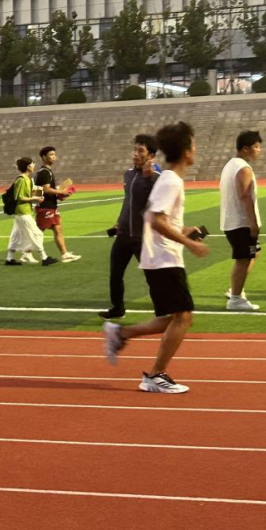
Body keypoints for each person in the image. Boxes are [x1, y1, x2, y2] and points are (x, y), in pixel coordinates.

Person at [104, 121, 209, 394]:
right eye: (193, 145)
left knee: (171, 318)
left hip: (159, 257)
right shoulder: (171, 180)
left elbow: (159, 219)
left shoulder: (168, 179)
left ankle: (120, 333)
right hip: (164, 258)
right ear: (186, 151)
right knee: (183, 317)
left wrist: (185, 230)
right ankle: (155, 375)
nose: (195, 149)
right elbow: (154, 219)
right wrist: (188, 242)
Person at [100, 135, 159, 319]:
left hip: (143, 236)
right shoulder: (128, 173)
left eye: (140, 151)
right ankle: (117, 308)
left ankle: (162, 310)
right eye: (135, 150)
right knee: (115, 274)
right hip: (124, 233)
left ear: (151, 156)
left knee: (152, 277)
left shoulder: (157, 177)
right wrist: (120, 221)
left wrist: (149, 179)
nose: (135, 154)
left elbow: (157, 206)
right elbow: (128, 201)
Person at [220, 130, 263, 311]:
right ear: (245, 149)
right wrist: (253, 223)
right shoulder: (243, 168)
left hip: (233, 221)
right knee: (243, 259)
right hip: (241, 222)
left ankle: (234, 290)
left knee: (253, 253)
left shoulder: (231, 165)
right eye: (256, 147)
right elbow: (245, 196)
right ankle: (235, 299)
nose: (259, 150)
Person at [4, 157, 57, 266]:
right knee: (37, 233)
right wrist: (35, 198)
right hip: (22, 212)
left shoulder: (28, 179)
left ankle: (9, 258)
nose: (34, 165)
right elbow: (19, 197)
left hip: (23, 212)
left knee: (16, 236)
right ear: (28, 166)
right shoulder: (21, 179)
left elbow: (33, 193)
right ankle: (44, 258)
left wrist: (38, 196)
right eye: (32, 164)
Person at [35, 146, 81, 262]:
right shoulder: (44, 172)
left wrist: (60, 194)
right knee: (38, 232)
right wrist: (61, 192)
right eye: (51, 154)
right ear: (44, 157)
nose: (54, 157)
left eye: (54, 154)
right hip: (45, 207)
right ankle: (26, 252)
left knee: (57, 230)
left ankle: (64, 254)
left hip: (49, 206)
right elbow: (46, 189)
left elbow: (41, 190)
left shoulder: (46, 171)